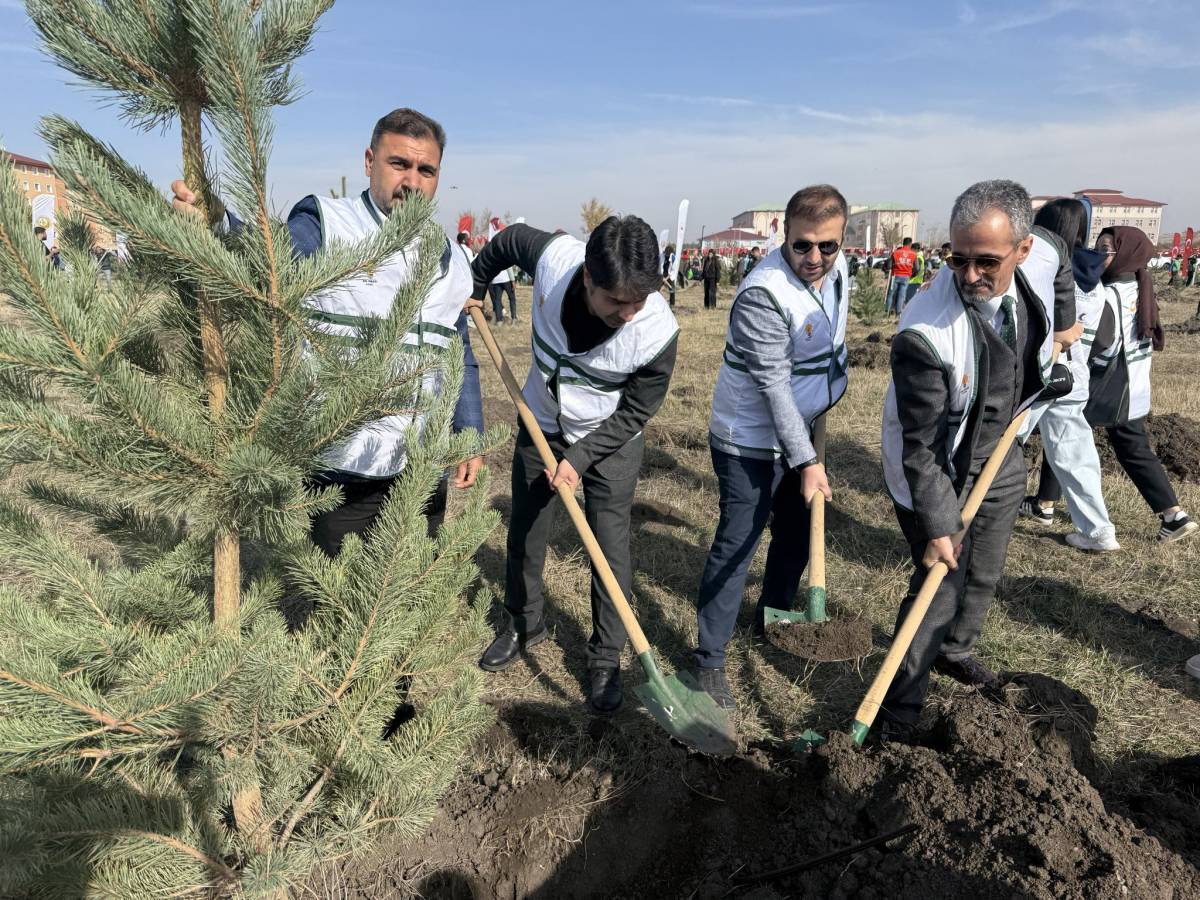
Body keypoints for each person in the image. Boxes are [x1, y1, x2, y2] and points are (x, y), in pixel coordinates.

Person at [170, 107, 483, 555]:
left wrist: (469, 431)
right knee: (336, 591)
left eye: (426, 170)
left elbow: (458, 351)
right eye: (399, 164)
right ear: (369, 162)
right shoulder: (328, 225)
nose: (412, 181)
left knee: (413, 585)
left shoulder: (451, 259)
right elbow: (271, 258)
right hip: (343, 471)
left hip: (422, 469)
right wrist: (218, 221)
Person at [878, 179, 1079, 741]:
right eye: (958, 259)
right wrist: (939, 525)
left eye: (986, 262)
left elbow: (1063, 264)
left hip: (1004, 445)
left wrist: (1065, 322)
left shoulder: (1045, 257)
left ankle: (957, 651)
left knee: (985, 567)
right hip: (941, 461)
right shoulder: (925, 332)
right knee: (938, 584)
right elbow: (922, 448)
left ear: (1023, 249)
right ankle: (899, 710)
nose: (969, 276)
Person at [472, 216, 679, 715]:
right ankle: (524, 623)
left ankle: (605, 657)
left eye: (639, 301)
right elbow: (508, 240)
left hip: (611, 439)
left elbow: (636, 410)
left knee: (608, 547)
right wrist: (476, 285)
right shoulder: (553, 260)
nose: (628, 313)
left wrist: (579, 457)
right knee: (526, 527)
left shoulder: (656, 332)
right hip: (541, 421)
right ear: (588, 276)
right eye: (616, 301)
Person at [694, 184, 849, 709]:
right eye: (802, 244)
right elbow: (774, 387)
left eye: (827, 246)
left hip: (803, 427)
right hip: (749, 439)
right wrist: (807, 460)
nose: (814, 257)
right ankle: (709, 660)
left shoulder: (838, 271)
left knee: (798, 531)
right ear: (784, 233)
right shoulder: (763, 293)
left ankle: (773, 616)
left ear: (842, 240)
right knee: (739, 541)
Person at [1017, 199, 1119, 551]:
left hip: (1038, 371)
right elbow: (1103, 336)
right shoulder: (1094, 275)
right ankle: (1097, 530)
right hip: (1074, 374)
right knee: (1075, 454)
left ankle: (969, 507)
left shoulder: (1039, 265)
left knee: (1001, 442)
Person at [1086, 227, 1197, 542]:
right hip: (1134, 383)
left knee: (1066, 429)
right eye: (1097, 247)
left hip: (1111, 384)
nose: (1099, 254)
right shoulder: (1140, 287)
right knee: (1129, 447)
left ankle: (1045, 505)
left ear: (1124, 254)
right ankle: (1174, 515)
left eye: (1105, 249)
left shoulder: (1109, 294)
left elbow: (1103, 343)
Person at [886, 237, 916, 315]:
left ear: (903, 243)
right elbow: (917, 268)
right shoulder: (913, 254)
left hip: (895, 276)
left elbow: (889, 266)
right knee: (901, 295)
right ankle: (898, 313)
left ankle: (887, 311)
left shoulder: (896, 252)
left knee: (891, 294)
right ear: (910, 244)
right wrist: (911, 275)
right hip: (906, 277)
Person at [489, 257, 518, 325]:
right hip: (506, 279)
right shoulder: (503, 254)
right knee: (512, 298)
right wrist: (513, 280)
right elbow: (509, 268)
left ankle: (499, 321)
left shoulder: (491, 256)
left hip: (495, 280)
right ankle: (514, 318)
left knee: (497, 300)